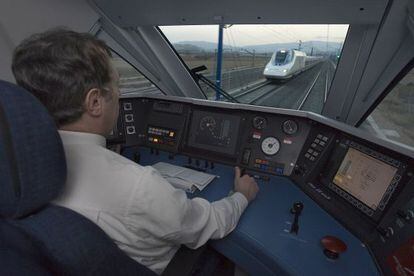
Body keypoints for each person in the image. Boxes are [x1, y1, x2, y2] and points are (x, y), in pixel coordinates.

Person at [11, 29, 259, 274]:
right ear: (95, 102)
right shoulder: (138, 186)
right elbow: (206, 225)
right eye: (117, 85)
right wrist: (241, 196)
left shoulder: (14, 172)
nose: (120, 94)